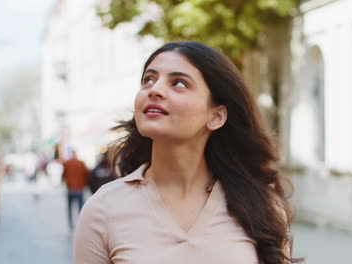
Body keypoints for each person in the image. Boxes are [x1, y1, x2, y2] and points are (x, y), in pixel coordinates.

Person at [74, 42, 300, 264]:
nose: (155, 89)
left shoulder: (261, 205)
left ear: (216, 116)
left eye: (179, 83)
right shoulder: (103, 209)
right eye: (148, 80)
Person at [62, 150, 88, 229]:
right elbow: (86, 175)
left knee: (70, 208)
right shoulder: (81, 164)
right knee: (80, 209)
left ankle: (71, 225)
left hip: (71, 189)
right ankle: (80, 225)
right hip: (79, 189)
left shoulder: (67, 163)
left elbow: (63, 176)